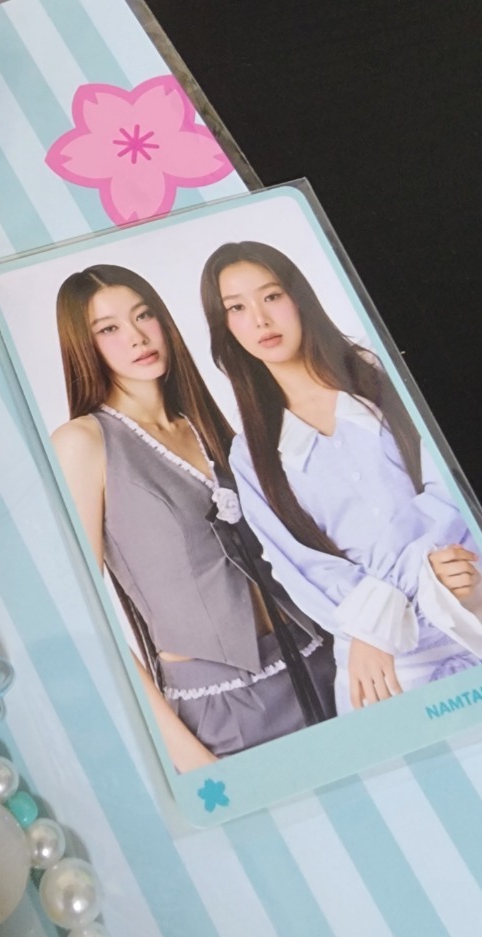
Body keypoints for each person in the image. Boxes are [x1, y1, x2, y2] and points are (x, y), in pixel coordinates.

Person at [51, 264, 336, 773]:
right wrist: (191, 758)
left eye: (144, 315)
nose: (137, 337)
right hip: (222, 712)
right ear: (83, 345)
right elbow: (83, 617)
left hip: (322, 663)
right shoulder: (83, 443)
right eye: (109, 328)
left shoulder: (210, 426)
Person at [202, 241, 482, 713]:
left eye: (271, 296)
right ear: (226, 327)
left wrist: (401, 597)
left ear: (299, 297)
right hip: (381, 664)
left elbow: (452, 491)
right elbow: (298, 564)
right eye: (237, 307)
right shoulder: (251, 454)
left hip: (472, 607)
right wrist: (378, 623)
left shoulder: (386, 381)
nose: (260, 319)